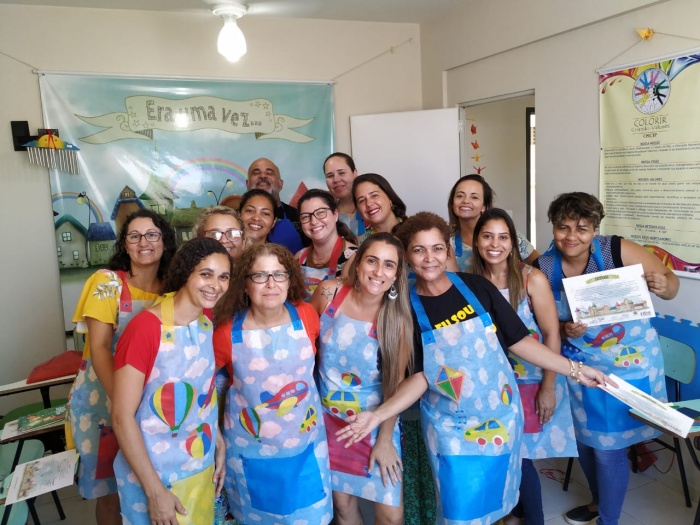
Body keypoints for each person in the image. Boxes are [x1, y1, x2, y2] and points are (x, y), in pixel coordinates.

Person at [336, 212, 609, 525]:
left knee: (496, 502)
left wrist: (575, 369)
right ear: (407, 257)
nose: (429, 258)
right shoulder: (405, 309)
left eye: (437, 248)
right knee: (460, 511)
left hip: (500, 419)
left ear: (448, 252)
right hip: (451, 428)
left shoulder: (477, 287)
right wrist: (380, 420)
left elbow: (520, 342)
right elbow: (415, 377)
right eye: (419, 250)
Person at [534, 192, 678, 525]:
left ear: (595, 229)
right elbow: (540, 323)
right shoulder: (544, 266)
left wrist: (664, 284)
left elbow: (671, 285)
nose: (571, 236)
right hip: (581, 367)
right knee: (585, 439)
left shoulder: (616, 250)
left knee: (607, 447)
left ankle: (608, 519)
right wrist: (564, 328)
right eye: (563, 227)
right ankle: (599, 503)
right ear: (553, 227)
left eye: (582, 228)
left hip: (630, 363)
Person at [67, 209, 177, 525]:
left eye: (152, 234)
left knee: (151, 486)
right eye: (134, 236)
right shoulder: (107, 283)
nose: (144, 242)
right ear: (124, 244)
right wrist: (125, 406)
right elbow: (101, 348)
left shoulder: (172, 289)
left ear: (165, 241)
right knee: (111, 492)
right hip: (104, 403)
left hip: (151, 406)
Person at [111, 237, 231, 525]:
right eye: (206, 274)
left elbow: (202, 393)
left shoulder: (205, 320)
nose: (215, 285)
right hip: (153, 476)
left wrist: (217, 439)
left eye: (223, 277)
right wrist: (155, 492)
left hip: (199, 466)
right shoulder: (144, 329)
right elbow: (121, 417)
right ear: (186, 272)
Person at [213, 243, 333, 525]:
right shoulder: (226, 332)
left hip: (305, 448)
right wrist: (215, 436)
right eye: (259, 276)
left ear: (290, 281)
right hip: (250, 449)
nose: (270, 284)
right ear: (245, 284)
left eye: (279, 275)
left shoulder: (307, 315)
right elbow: (205, 387)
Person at [471, 208, 577, 525]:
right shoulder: (470, 283)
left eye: (503, 237)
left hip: (531, 383)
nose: (495, 244)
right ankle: (514, 514)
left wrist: (548, 387)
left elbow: (551, 334)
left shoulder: (532, 279)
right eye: (487, 236)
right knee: (503, 454)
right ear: (476, 241)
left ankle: (534, 518)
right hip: (493, 387)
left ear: (513, 243)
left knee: (522, 456)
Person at [310, 232, 413, 525]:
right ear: (358, 264)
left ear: (397, 275)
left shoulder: (397, 320)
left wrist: (385, 440)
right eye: (372, 261)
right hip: (328, 422)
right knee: (343, 507)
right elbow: (305, 349)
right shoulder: (329, 294)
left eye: (389, 265)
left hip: (375, 422)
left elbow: (395, 385)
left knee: (391, 515)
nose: (379, 271)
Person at [447, 174, 539, 271]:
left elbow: (538, 264)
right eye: (460, 196)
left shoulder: (507, 234)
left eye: (474, 197)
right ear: (453, 203)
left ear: (484, 206)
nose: (466, 201)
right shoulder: (446, 241)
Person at [296, 189, 358, 300]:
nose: (313, 221)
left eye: (320, 213)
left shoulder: (355, 257)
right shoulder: (299, 257)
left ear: (335, 215)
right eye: (305, 217)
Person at [246, 157, 306, 253]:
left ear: (280, 184)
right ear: (247, 183)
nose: (263, 176)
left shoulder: (298, 217)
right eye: (256, 173)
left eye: (269, 173)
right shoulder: (234, 219)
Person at [352, 173, 407, 244]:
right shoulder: (363, 245)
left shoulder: (415, 228)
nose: (368, 203)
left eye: (374, 195)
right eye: (361, 200)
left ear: (389, 198)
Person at [323, 152, 365, 237]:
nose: (336, 180)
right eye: (330, 175)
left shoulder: (371, 206)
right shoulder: (327, 215)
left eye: (341, 173)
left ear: (354, 173)